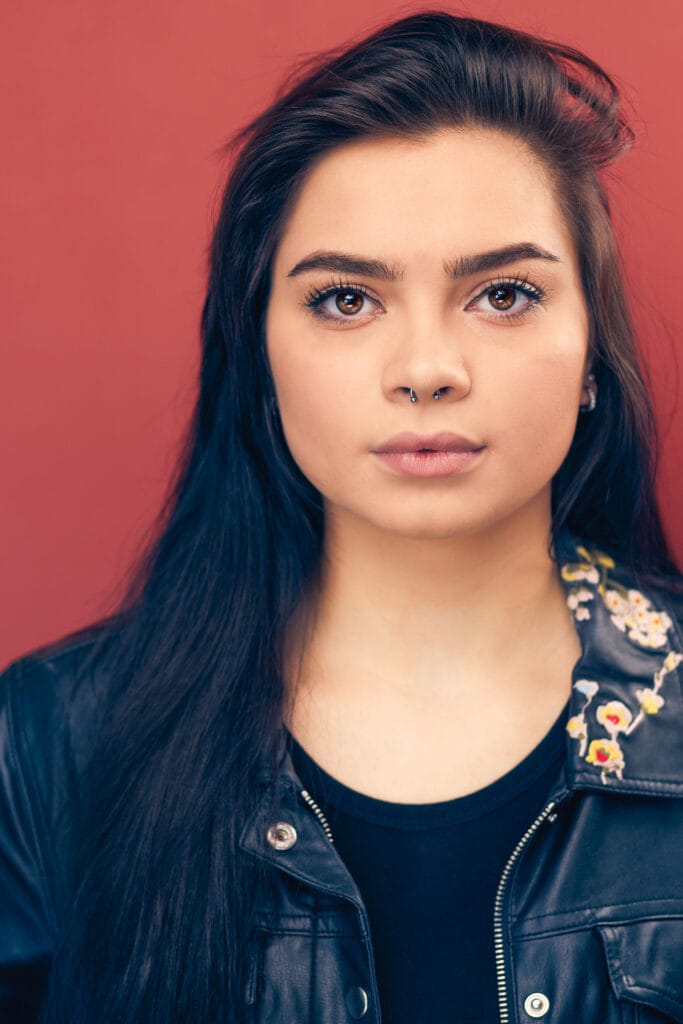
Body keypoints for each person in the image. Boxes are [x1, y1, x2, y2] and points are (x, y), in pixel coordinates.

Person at [1, 9, 682, 1024]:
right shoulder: (53, 740)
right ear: (260, 358)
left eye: (502, 294)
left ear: (592, 351)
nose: (425, 369)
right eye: (346, 300)